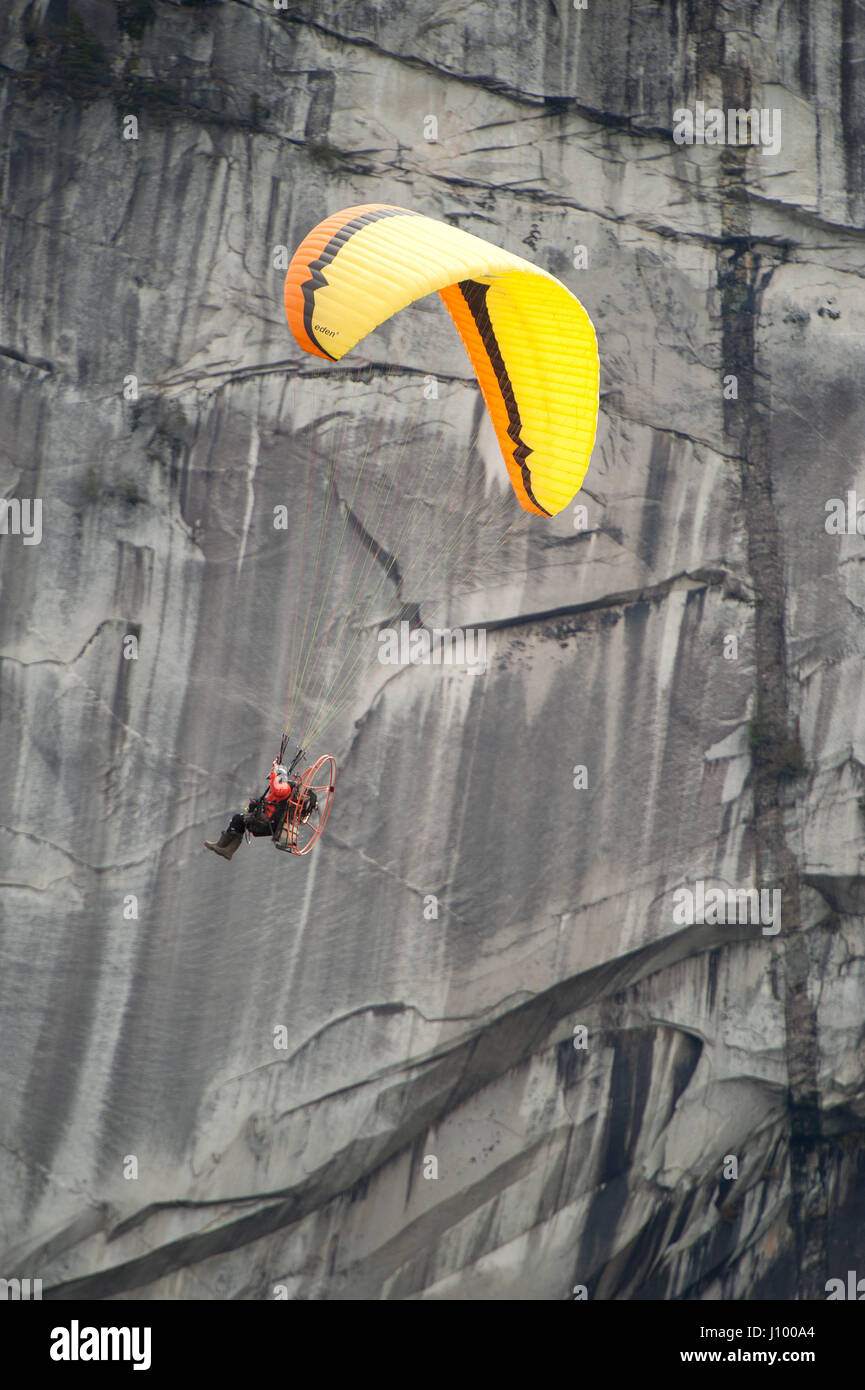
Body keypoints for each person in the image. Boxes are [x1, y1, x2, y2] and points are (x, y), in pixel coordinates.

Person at [205, 759, 296, 861]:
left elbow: (277, 789)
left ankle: (224, 847)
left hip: (269, 823)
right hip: (268, 820)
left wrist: (273, 774)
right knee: (239, 821)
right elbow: (273, 795)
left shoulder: (285, 787)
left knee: (238, 819)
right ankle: (225, 848)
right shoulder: (280, 790)